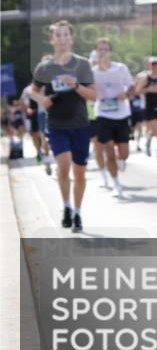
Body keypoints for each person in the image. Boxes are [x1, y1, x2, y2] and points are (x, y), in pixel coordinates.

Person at [29, 20, 97, 233]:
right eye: (58, 35)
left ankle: (77, 212)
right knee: (64, 164)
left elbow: (94, 94)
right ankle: (65, 206)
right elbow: (33, 91)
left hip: (80, 125)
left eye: (66, 35)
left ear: (71, 39)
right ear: (52, 40)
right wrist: (43, 100)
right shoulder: (45, 67)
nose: (62, 39)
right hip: (57, 124)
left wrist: (75, 86)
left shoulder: (83, 64)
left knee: (79, 172)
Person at [91, 38, 133, 198]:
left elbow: (132, 86)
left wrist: (126, 94)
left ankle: (121, 159)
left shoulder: (120, 68)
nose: (102, 52)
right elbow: (88, 90)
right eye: (99, 49)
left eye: (105, 49)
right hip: (103, 114)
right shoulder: (93, 72)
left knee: (124, 153)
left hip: (121, 114)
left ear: (110, 52)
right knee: (108, 151)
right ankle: (116, 185)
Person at [136, 56, 157, 159]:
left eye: (156, 64)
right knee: (155, 129)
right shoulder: (145, 77)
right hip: (149, 106)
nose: (154, 66)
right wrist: (149, 89)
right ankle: (149, 140)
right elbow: (138, 90)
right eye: (152, 64)